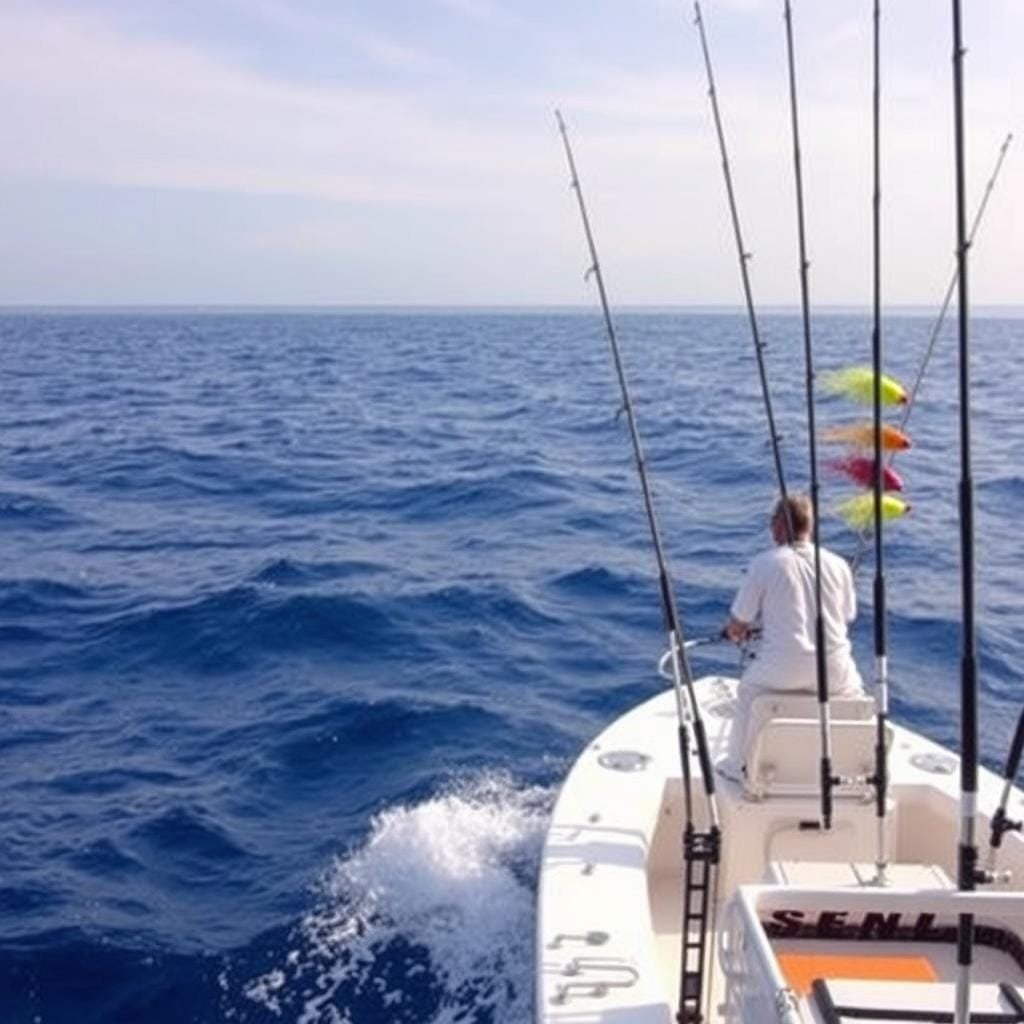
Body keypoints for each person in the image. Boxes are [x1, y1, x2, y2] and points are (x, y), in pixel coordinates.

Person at [718, 492, 864, 780]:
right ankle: (852, 767)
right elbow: (848, 616)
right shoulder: (839, 565)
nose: (771, 529)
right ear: (809, 526)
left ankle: (737, 767)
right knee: (856, 695)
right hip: (834, 671)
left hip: (781, 670)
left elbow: (738, 624)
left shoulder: (764, 563)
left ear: (782, 526)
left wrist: (736, 631)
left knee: (748, 691)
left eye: (773, 522)